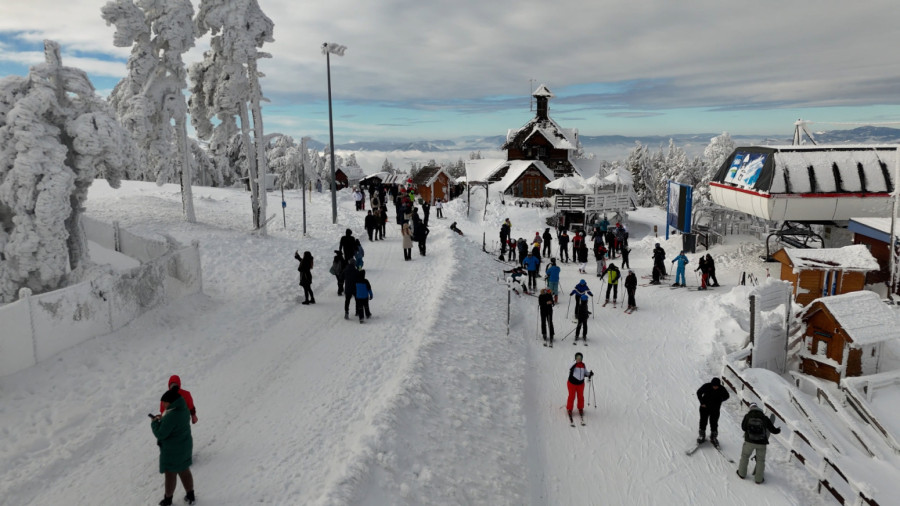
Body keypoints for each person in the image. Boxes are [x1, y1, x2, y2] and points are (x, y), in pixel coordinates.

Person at [152, 389, 195, 506]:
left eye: (164, 402)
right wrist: (164, 420)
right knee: (184, 470)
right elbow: (174, 425)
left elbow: (161, 433)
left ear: (171, 402)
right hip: (184, 446)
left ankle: (168, 499)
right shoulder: (183, 408)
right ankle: (190, 495)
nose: (163, 405)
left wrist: (155, 423)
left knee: (170, 475)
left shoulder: (172, 415)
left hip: (173, 450)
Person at [737, 403, 781, 484]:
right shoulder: (764, 418)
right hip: (762, 443)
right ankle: (758, 479)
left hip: (749, 441)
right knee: (760, 460)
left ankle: (742, 474)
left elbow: (743, 428)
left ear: (750, 409)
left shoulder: (748, 416)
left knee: (745, 456)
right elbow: (773, 430)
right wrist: (778, 430)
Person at [697, 377, 730, 447]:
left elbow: (727, 396)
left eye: (716, 386)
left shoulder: (722, 389)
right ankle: (702, 435)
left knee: (714, 422)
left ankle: (713, 437)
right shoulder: (707, 386)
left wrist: (721, 399)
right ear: (711, 384)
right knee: (703, 421)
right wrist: (702, 402)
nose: (715, 387)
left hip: (715, 409)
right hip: (704, 408)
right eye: (714, 386)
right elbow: (699, 392)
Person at [566, 352, 594, 424]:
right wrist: (575, 362)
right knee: (572, 396)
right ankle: (569, 409)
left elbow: (585, 373)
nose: (579, 359)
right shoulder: (573, 364)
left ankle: (580, 408)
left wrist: (589, 374)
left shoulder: (583, 365)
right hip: (572, 384)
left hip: (581, 384)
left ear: (582, 358)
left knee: (581, 396)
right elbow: (569, 367)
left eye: (580, 357)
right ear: (575, 358)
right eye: (577, 357)